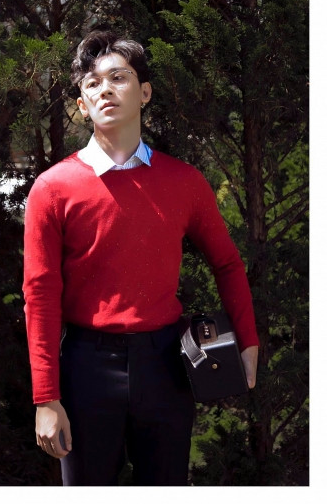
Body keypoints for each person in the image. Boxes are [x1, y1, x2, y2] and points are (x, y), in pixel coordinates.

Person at [22, 30, 259, 486]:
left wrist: (247, 341)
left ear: (145, 93)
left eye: (119, 77)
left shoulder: (184, 182)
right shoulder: (52, 189)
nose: (105, 90)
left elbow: (228, 264)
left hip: (166, 366)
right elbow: (40, 294)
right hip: (86, 369)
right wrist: (46, 397)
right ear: (82, 105)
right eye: (93, 83)